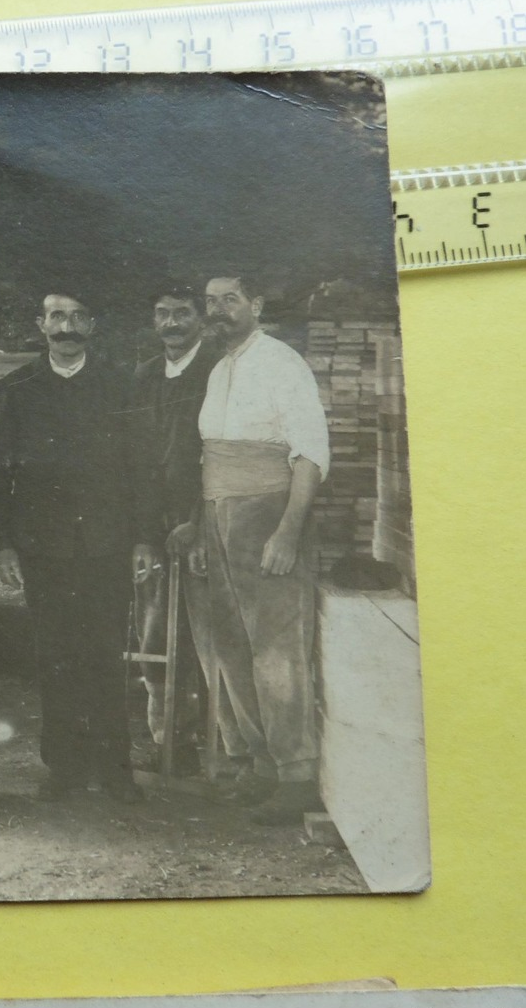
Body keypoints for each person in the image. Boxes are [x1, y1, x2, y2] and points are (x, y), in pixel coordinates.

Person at [0, 288, 143, 804]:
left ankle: (116, 768)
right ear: (40, 325)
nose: (66, 327)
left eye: (77, 317)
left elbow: (141, 471)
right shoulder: (16, 388)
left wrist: (142, 537)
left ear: (91, 326)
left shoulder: (120, 385)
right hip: (43, 545)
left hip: (107, 543)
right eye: (57, 317)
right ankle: (65, 768)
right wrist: (1, 544)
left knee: (105, 654)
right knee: (55, 656)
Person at [193, 275, 330, 826]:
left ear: (256, 305)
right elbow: (210, 457)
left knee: (276, 648)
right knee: (230, 645)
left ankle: (296, 774)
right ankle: (261, 765)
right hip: (217, 514)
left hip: (267, 512)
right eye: (211, 302)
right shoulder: (219, 366)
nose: (219, 310)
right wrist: (200, 525)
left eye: (230, 300)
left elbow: (310, 454)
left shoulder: (282, 362)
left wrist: (288, 532)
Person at [128, 283, 236, 775]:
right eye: (163, 313)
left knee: (211, 633)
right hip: (156, 525)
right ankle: (165, 737)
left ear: (200, 319)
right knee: (154, 630)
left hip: (206, 521)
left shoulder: (219, 369)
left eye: (182, 313)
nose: (172, 323)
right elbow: (136, 458)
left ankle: (224, 745)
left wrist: (196, 519)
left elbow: (220, 452)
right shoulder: (146, 375)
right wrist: (145, 531)